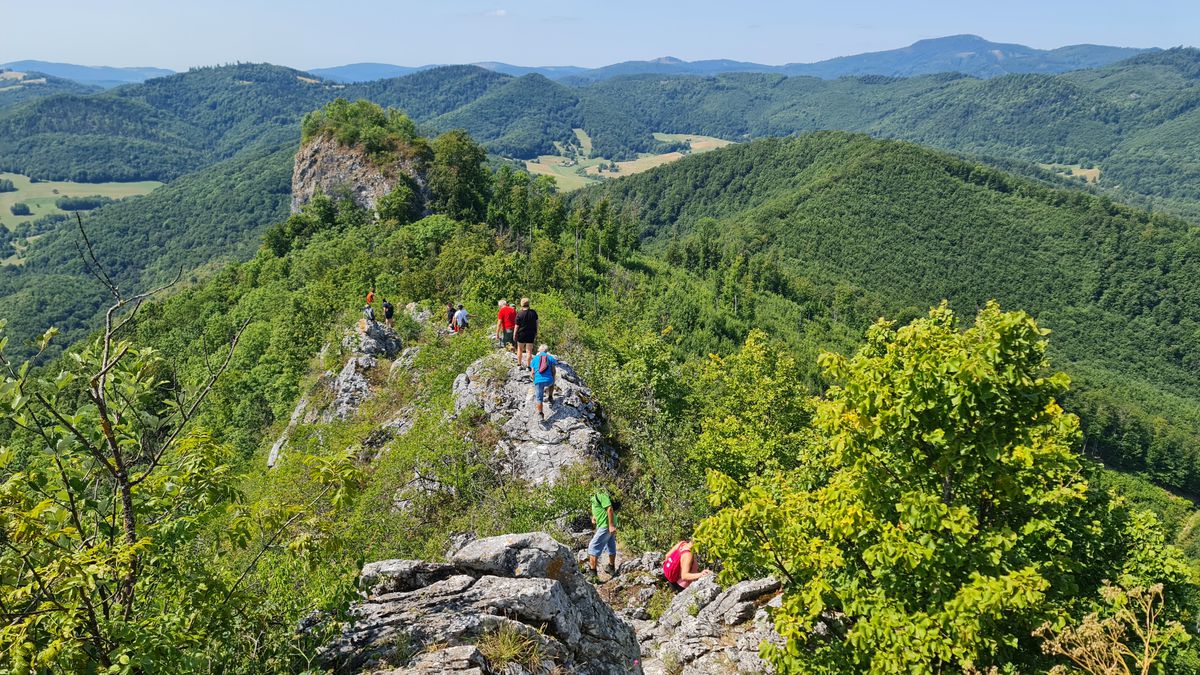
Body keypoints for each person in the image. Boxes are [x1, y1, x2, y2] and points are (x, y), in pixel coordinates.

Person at [587, 488, 618, 582]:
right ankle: (611, 567)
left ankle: (593, 576)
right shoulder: (594, 496)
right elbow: (599, 507)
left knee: (592, 547)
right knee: (610, 545)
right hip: (605, 524)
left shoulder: (600, 493)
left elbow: (609, 508)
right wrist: (594, 517)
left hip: (606, 525)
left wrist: (611, 525)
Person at [530, 344, 557, 419]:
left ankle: (540, 414)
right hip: (549, 380)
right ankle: (550, 397)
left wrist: (534, 380)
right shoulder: (551, 358)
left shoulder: (534, 359)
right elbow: (553, 371)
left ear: (539, 351)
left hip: (538, 381)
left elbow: (532, 373)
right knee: (552, 384)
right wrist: (552, 378)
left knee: (539, 398)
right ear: (546, 351)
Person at [514, 297, 538, 369]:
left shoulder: (519, 314)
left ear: (521, 304)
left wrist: (514, 334)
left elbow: (516, 326)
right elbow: (537, 323)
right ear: (528, 304)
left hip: (521, 334)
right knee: (529, 351)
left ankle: (519, 364)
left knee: (520, 349)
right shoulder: (533, 313)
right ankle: (528, 366)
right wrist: (536, 331)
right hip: (531, 333)